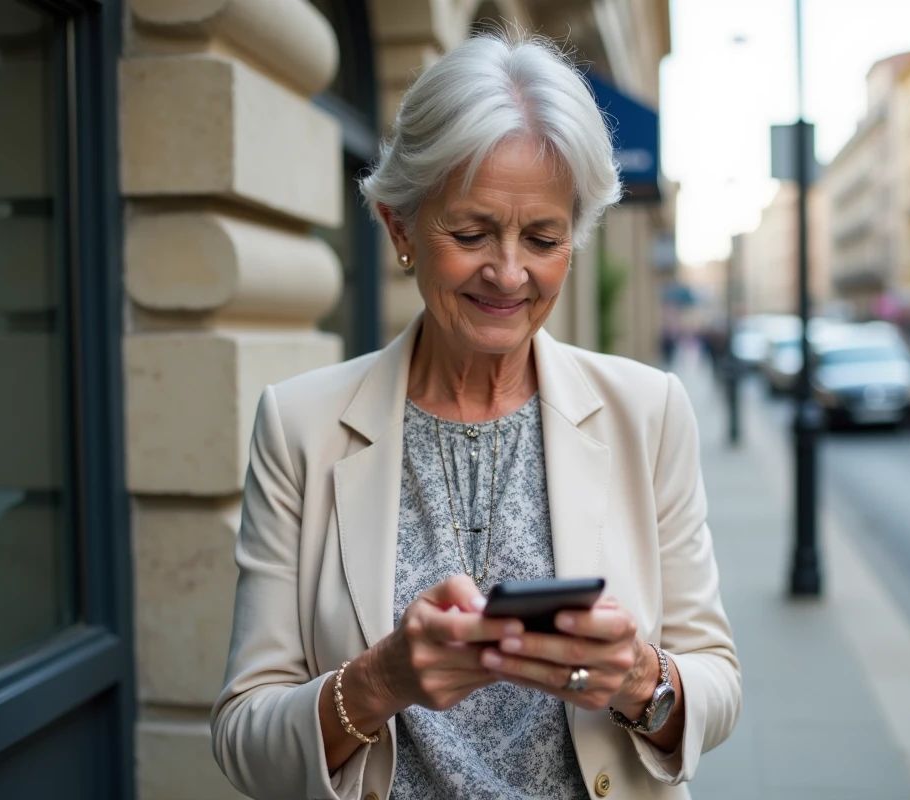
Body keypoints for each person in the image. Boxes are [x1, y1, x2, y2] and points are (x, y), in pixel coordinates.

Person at [211, 32, 740, 800]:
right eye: (470, 233)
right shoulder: (299, 427)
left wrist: (640, 679)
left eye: (544, 238)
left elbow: (716, 682)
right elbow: (242, 738)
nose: (509, 272)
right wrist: (378, 681)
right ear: (400, 228)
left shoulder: (647, 411)